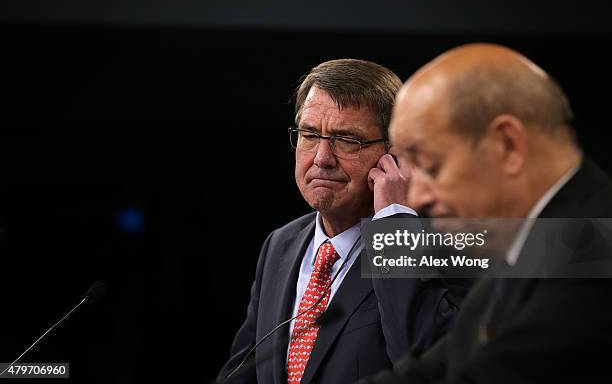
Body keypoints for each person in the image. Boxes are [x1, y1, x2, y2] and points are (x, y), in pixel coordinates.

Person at [357, 43, 612, 383]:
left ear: (507, 145)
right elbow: (433, 369)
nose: (416, 198)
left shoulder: (595, 255)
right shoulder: (535, 246)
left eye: (431, 167)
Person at [217, 59, 468, 384]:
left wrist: (393, 224)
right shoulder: (280, 244)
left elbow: (430, 363)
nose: (322, 158)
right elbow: (242, 372)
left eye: (347, 139)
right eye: (309, 134)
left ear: (394, 155)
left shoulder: (443, 245)